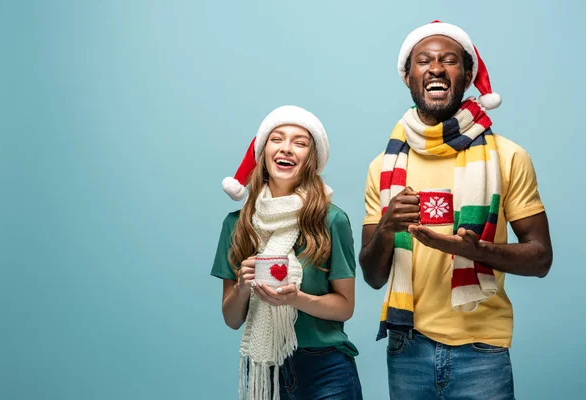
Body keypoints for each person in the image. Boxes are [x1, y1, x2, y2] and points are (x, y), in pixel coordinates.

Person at [359, 21, 553, 399]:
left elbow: (541, 258)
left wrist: (475, 251)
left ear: (466, 76)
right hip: (406, 347)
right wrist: (387, 227)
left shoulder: (508, 157)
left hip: (482, 349)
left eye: (449, 60)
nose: (435, 68)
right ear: (408, 76)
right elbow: (372, 276)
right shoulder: (382, 167)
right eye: (424, 60)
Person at [212, 105, 363, 400]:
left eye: (300, 142)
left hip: (325, 367)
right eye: (277, 138)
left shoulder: (331, 220)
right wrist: (243, 287)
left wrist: (296, 299)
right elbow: (231, 319)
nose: (287, 149)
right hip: (264, 368)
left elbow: (345, 307)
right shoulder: (236, 225)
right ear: (263, 153)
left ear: (311, 159)